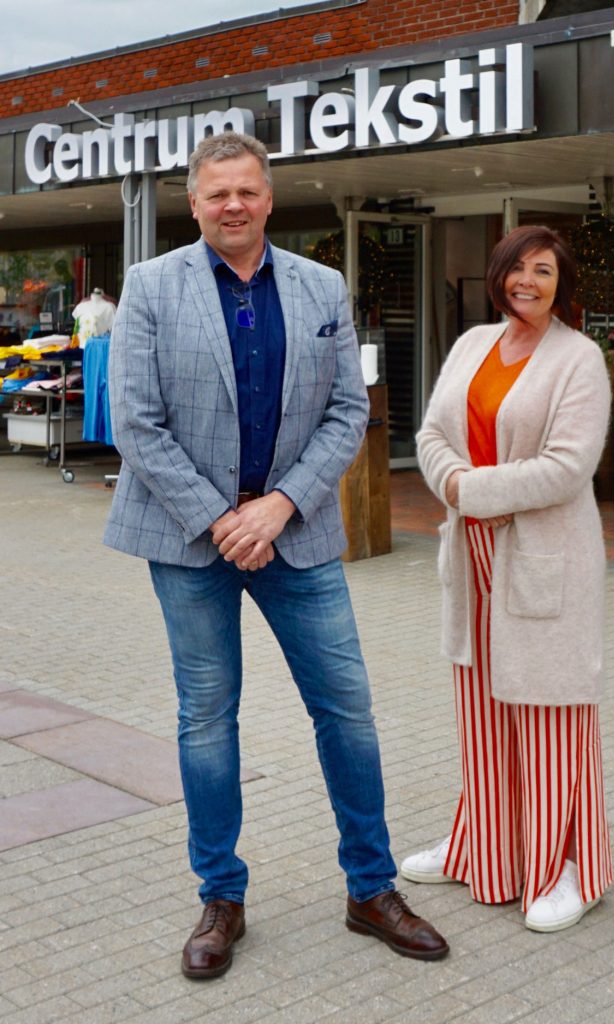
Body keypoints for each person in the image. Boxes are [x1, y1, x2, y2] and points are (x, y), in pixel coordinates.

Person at [104, 130, 448, 978]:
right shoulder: (151, 285)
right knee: (206, 718)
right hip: (189, 540)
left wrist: (280, 505)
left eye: (247, 191)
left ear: (269, 197)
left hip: (297, 535)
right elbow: (136, 420)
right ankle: (220, 898)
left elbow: (347, 412)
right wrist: (222, 519)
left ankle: (371, 889)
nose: (234, 205)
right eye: (217, 192)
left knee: (347, 711)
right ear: (194, 202)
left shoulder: (320, 285)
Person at [402, 225, 613, 932]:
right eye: (517, 268)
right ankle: (483, 846)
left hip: (543, 556)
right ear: (497, 276)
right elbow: (431, 435)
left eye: (544, 270)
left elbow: (568, 467)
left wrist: (470, 491)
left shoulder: (579, 359)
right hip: (473, 557)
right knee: (483, 715)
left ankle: (570, 868)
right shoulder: (471, 345)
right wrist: (453, 485)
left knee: (551, 714)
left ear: (561, 284)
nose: (528, 281)